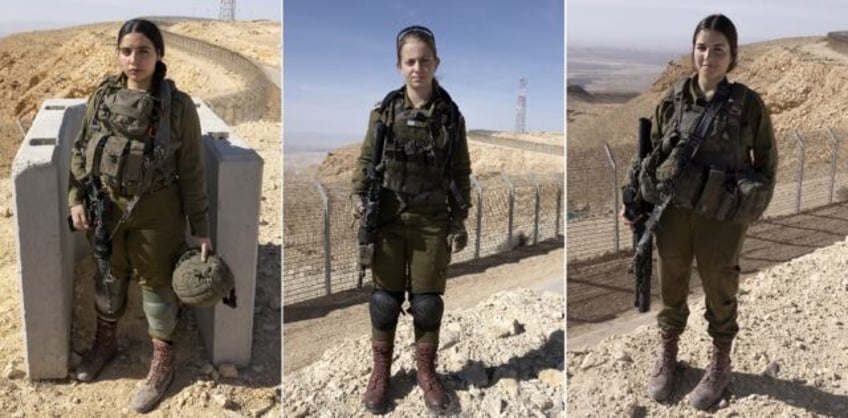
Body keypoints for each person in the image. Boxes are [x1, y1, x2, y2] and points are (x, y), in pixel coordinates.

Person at [623, 14, 777, 410]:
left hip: (721, 220)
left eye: (719, 49)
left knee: (720, 290)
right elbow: (650, 158)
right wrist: (636, 202)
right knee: (671, 285)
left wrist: (746, 207)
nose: (708, 56)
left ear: (733, 56)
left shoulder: (746, 104)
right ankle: (669, 355)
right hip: (672, 216)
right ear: (693, 50)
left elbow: (766, 164)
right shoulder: (673, 100)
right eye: (702, 47)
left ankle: (720, 364)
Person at [67, 18, 212, 413]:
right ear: (118, 54)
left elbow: (193, 171)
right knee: (109, 278)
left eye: (144, 50)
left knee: (157, 290)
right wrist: (75, 198)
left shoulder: (177, 107)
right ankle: (105, 343)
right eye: (127, 51)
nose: (134, 59)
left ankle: (162, 363)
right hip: (107, 208)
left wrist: (200, 229)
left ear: (159, 54)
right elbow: (81, 150)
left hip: (158, 213)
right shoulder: (101, 97)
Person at [350, 25, 472, 414]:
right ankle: (380, 373)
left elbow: (460, 169)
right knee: (384, 301)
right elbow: (367, 160)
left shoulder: (451, 117)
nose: (418, 68)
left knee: (427, 304)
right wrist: (359, 197)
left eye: (424, 60)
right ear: (399, 66)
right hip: (388, 216)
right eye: (410, 61)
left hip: (432, 219)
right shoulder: (384, 112)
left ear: (436, 63)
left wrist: (459, 218)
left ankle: (426, 373)